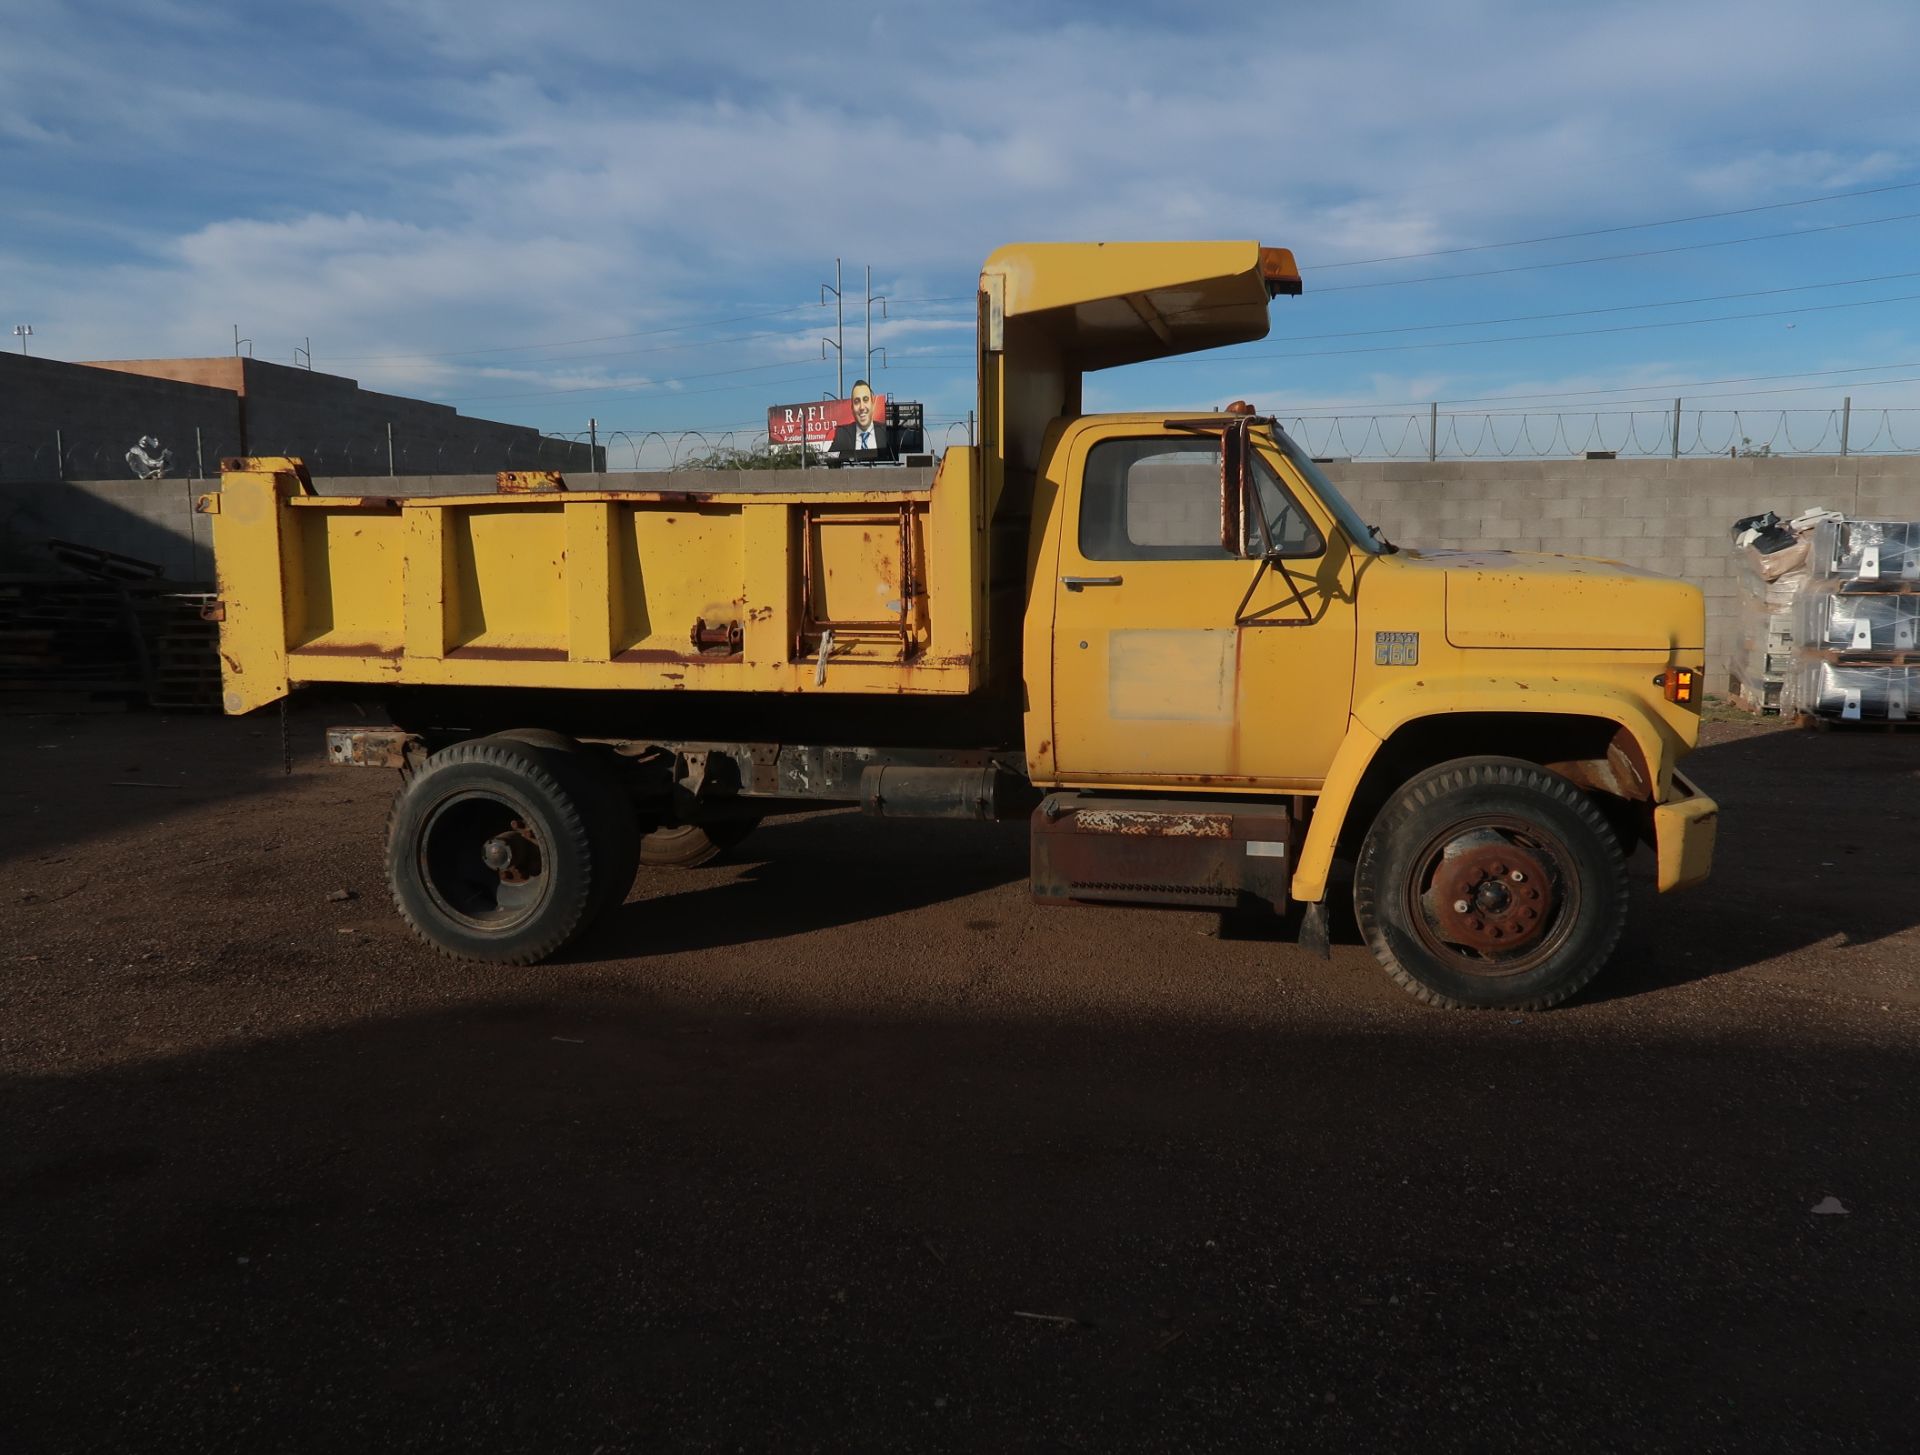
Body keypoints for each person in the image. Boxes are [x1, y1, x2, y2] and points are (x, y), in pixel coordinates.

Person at [828, 380, 893, 462]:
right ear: (852, 408)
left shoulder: (883, 431)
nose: (862, 407)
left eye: (865, 400)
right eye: (857, 401)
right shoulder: (843, 432)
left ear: (872, 404)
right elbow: (828, 458)